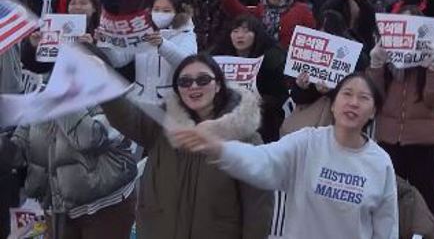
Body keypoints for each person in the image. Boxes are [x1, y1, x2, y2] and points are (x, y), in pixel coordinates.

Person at [170, 72, 399, 239]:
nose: (353, 103)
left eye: (363, 98)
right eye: (347, 94)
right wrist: (220, 148)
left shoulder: (380, 163)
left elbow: (386, 228)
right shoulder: (307, 142)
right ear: (333, 104)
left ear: (373, 112)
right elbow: (262, 161)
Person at [102, 55, 273, 239]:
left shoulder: (245, 137)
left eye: (202, 79)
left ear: (218, 85)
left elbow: (258, 207)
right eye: (185, 81)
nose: (193, 86)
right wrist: (101, 78)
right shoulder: (161, 124)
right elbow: (126, 115)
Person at [1, 106, 138, 239]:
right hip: (58, 212)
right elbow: (21, 148)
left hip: (104, 209)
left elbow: (90, 138)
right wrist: (4, 147)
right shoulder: (42, 94)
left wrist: (61, 99)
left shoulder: (105, 91)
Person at [368, 32, 434, 215]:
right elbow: (373, 98)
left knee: (426, 199)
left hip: (423, 142)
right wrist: (375, 65)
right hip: (388, 140)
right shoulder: (385, 63)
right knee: (388, 198)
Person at [211, 15, 289, 142]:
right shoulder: (217, 55)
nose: (240, 35)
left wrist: (259, 100)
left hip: (262, 121)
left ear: (257, 34)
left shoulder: (271, 58)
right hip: (225, 120)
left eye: (246, 31)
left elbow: (279, 96)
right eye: (235, 31)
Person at [220, 0, 315, 49]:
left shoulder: (301, 10)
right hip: (264, 57)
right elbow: (240, 13)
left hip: (291, 59)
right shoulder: (260, 10)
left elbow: (312, 36)